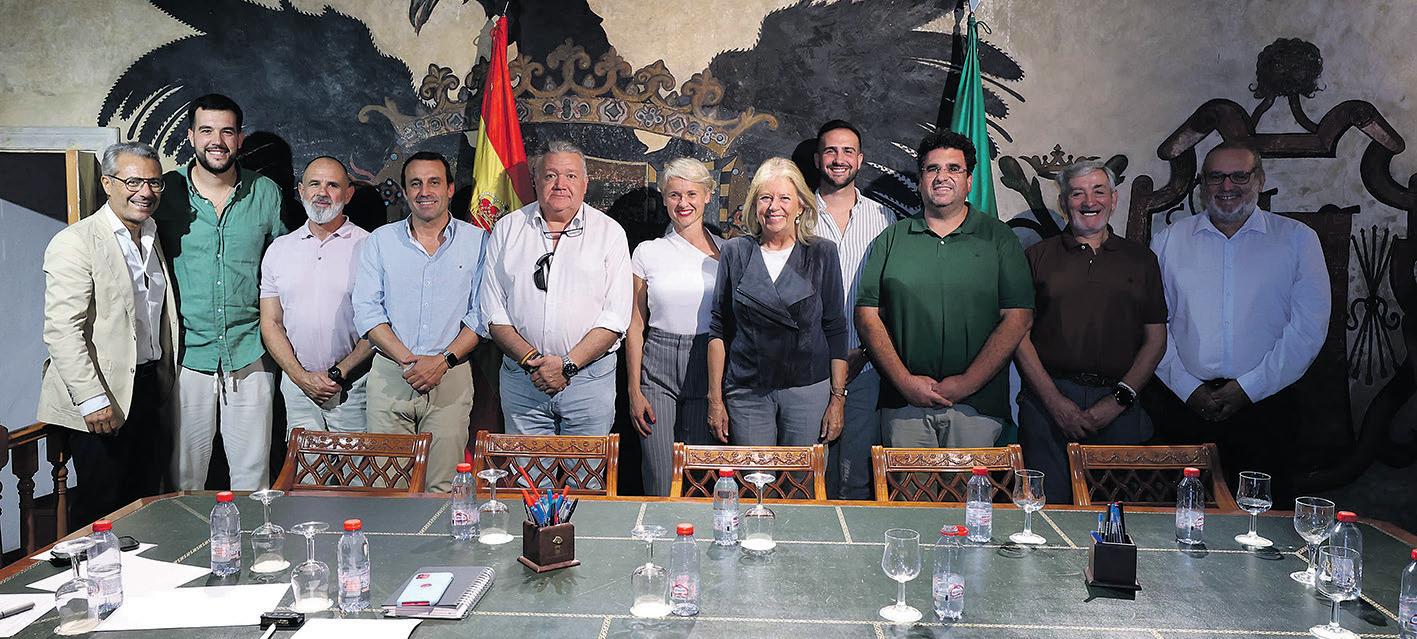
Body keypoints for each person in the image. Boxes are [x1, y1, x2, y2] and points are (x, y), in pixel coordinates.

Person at [1150, 141, 1329, 503]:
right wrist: (1187, 388)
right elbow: (1154, 326)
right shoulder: (1168, 242)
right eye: (1216, 177)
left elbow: (1308, 329)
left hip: (1268, 408)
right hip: (1184, 408)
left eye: (1239, 176)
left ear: (1259, 179)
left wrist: (1249, 388)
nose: (1227, 186)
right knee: (1183, 515)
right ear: (1202, 185)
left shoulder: (1297, 240)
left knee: (1265, 519)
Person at [856, 131, 1034, 449]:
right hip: (903, 406)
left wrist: (966, 383)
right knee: (908, 485)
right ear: (920, 179)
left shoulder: (999, 238)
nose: (942, 177)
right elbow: (867, 315)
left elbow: (1018, 318)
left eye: (953, 168)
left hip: (977, 407)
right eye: (932, 169)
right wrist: (904, 382)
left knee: (971, 485)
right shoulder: (892, 238)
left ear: (969, 180)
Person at [38, 142, 180, 525]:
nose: (145, 192)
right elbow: (62, 331)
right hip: (101, 397)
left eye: (154, 183)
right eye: (133, 182)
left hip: (147, 388)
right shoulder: (76, 242)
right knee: (101, 512)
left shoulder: (152, 236)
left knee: (144, 505)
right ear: (107, 183)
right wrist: (91, 399)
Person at [1014, 160, 1168, 503]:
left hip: (1120, 405)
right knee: (1044, 509)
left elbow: (1156, 340)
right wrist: (1055, 402)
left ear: (1113, 199)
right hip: (1046, 407)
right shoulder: (1037, 257)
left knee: (1116, 515)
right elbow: (1018, 336)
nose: (1089, 202)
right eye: (1077, 193)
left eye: (1099, 191)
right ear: (1063, 203)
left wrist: (1117, 402)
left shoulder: (1141, 260)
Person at [155, 94, 284, 491]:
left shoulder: (265, 192)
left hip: (249, 351)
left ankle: (254, 536)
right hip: (187, 355)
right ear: (191, 136)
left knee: (253, 478)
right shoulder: (166, 192)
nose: (217, 141)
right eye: (207, 130)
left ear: (239, 138)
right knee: (183, 478)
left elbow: (281, 269)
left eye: (227, 132)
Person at [480, 141, 632, 443]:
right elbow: (493, 312)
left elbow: (615, 318)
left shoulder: (609, 233)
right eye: (550, 175)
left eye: (570, 176)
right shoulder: (508, 229)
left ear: (585, 183)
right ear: (535, 182)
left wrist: (567, 365)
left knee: (585, 472)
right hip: (524, 382)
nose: (560, 184)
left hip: (589, 383)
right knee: (528, 472)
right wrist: (534, 361)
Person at [353, 151, 486, 492]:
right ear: (404, 191)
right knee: (389, 487)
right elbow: (367, 311)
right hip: (391, 374)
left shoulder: (478, 242)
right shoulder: (380, 241)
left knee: (445, 488)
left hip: (451, 374)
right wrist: (409, 361)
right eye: (415, 184)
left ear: (450, 189)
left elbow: (482, 314)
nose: (424, 191)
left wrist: (441, 362)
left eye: (433, 182)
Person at [706, 157, 847, 447]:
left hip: (808, 390)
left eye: (784, 198)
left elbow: (835, 328)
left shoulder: (822, 253)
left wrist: (837, 398)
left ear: (801, 205)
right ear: (754, 205)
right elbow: (719, 328)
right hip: (747, 392)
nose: (774, 207)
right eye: (765, 198)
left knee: (803, 476)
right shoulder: (735, 252)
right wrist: (715, 399)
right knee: (755, 475)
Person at [626, 158, 723, 496]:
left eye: (692, 194)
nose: (683, 203)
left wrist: (718, 394)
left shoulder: (728, 252)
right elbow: (635, 325)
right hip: (657, 367)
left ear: (707, 196)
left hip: (707, 363)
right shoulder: (647, 252)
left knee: (700, 477)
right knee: (659, 474)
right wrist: (634, 390)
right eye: (674, 195)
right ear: (665, 199)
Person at [812, 119, 897, 499]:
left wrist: (864, 352)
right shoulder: (797, 215)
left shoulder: (884, 219)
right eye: (831, 150)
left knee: (858, 478)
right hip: (811, 369)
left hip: (866, 366)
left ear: (860, 160)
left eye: (848, 151)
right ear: (818, 159)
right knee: (815, 475)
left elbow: (893, 295)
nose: (839, 158)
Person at [260, 157, 373, 433]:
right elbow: (271, 322)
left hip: (355, 386)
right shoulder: (279, 250)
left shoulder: (370, 247)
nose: (322, 193)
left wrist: (340, 373)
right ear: (301, 191)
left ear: (348, 194)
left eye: (332, 185)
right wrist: (301, 377)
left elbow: (379, 324)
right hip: (298, 389)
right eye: (314, 184)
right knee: (303, 462)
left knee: (354, 462)